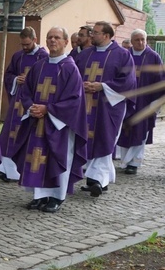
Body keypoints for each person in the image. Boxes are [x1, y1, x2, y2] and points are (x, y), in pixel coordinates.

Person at [11, 27, 87, 213]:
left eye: (57, 38)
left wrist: (48, 109)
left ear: (65, 42)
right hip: (37, 121)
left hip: (58, 124)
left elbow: (74, 100)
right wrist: (31, 107)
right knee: (36, 158)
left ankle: (56, 197)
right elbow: (26, 91)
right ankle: (40, 196)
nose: (52, 41)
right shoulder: (39, 66)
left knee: (57, 158)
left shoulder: (70, 69)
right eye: (49, 37)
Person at [75, 21, 136, 197]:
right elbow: (72, 75)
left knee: (105, 139)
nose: (91, 35)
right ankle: (99, 180)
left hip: (109, 107)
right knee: (87, 139)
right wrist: (81, 85)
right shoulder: (84, 55)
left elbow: (129, 82)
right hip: (85, 105)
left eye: (95, 32)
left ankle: (97, 180)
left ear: (106, 36)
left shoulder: (122, 55)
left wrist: (102, 86)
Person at [0, 27, 48, 182]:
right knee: (8, 133)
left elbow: (47, 82)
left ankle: (19, 170)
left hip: (32, 102)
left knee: (24, 135)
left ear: (35, 40)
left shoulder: (44, 57)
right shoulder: (18, 56)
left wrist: (31, 81)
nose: (24, 47)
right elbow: (9, 74)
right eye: (22, 44)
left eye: (27, 44)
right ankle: (4, 169)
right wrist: (17, 79)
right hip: (17, 101)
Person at [116, 29, 165, 175]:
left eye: (143, 39)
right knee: (125, 129)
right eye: (137, 40)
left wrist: (155, 102)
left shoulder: (153, 56)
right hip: (126, 101)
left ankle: (135, 162)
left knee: (140, 131)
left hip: (144, 102)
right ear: (131, 41)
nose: (141, 42)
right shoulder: (125, 55)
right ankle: (124, 161)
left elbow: (160, 80)